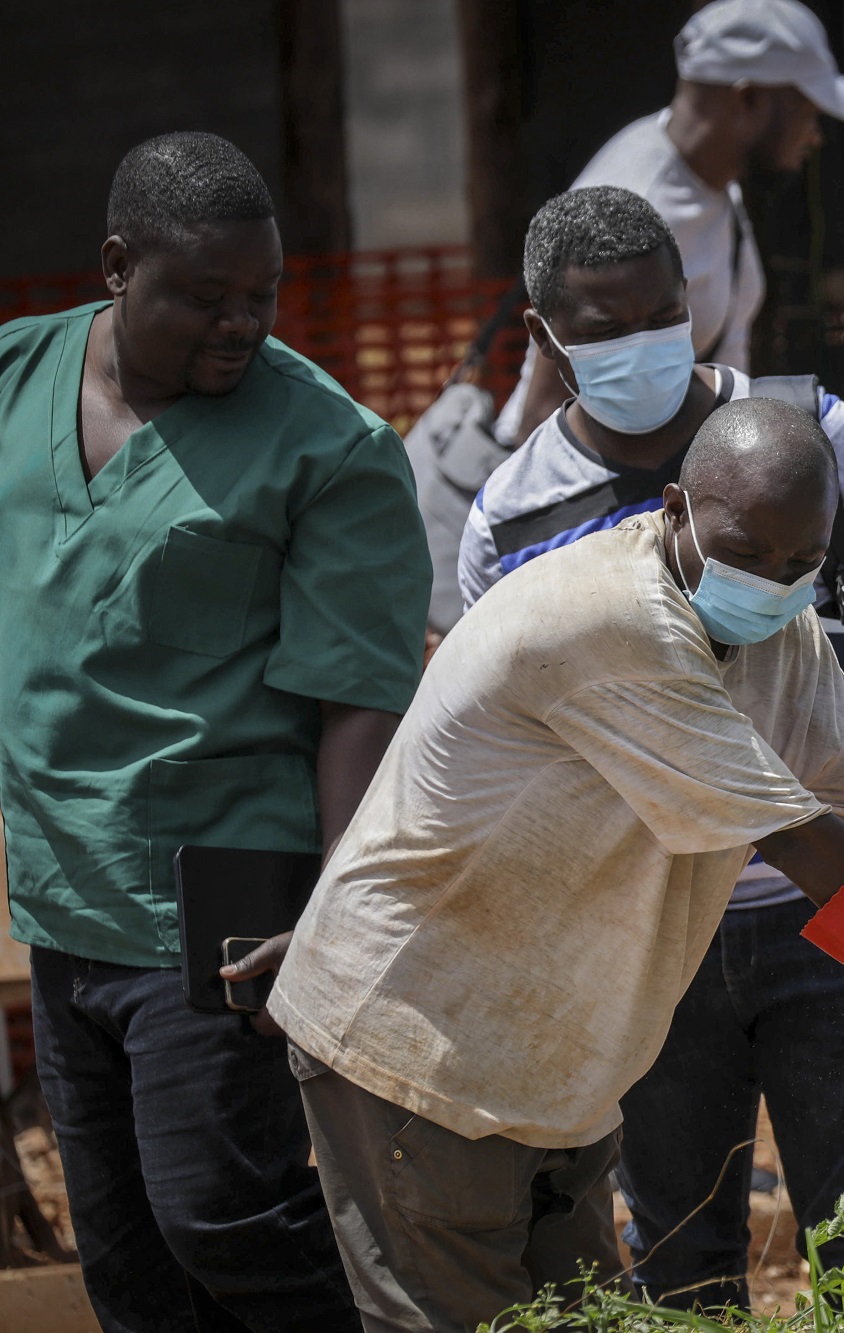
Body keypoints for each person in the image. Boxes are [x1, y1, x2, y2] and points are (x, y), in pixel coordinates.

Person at [262, 398, 844, 1331]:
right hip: (415, 1044)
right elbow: (822, 855)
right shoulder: (616, 626)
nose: (773, 579)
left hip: (543, 1069)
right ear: (675, 507)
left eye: (801, 562)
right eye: (747, 548)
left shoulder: (778, 631)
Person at [462, 185, 844, 1308]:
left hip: (835, 916)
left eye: (659, 314)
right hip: (644, 940)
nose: (638, 344)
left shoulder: (811, 431)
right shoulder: (513, 518)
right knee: (681, 1260)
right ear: (543, 337)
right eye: (600, 328)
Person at [0, 132, 429, 1331]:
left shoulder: (327, 447)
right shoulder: (14, 382)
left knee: (222, 1218)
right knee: (127, 1265)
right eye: (204, 296)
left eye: (262, 295)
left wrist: (334, 913)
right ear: (115, 267)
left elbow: (363, 696)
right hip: (60, 899)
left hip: (225, 903)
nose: (240, 323)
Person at [493, 0, 844, 444]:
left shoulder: (715, 185)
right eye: (808, 111)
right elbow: (546, 415)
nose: (816, 136)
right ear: (748, 98)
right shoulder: (632, 206)